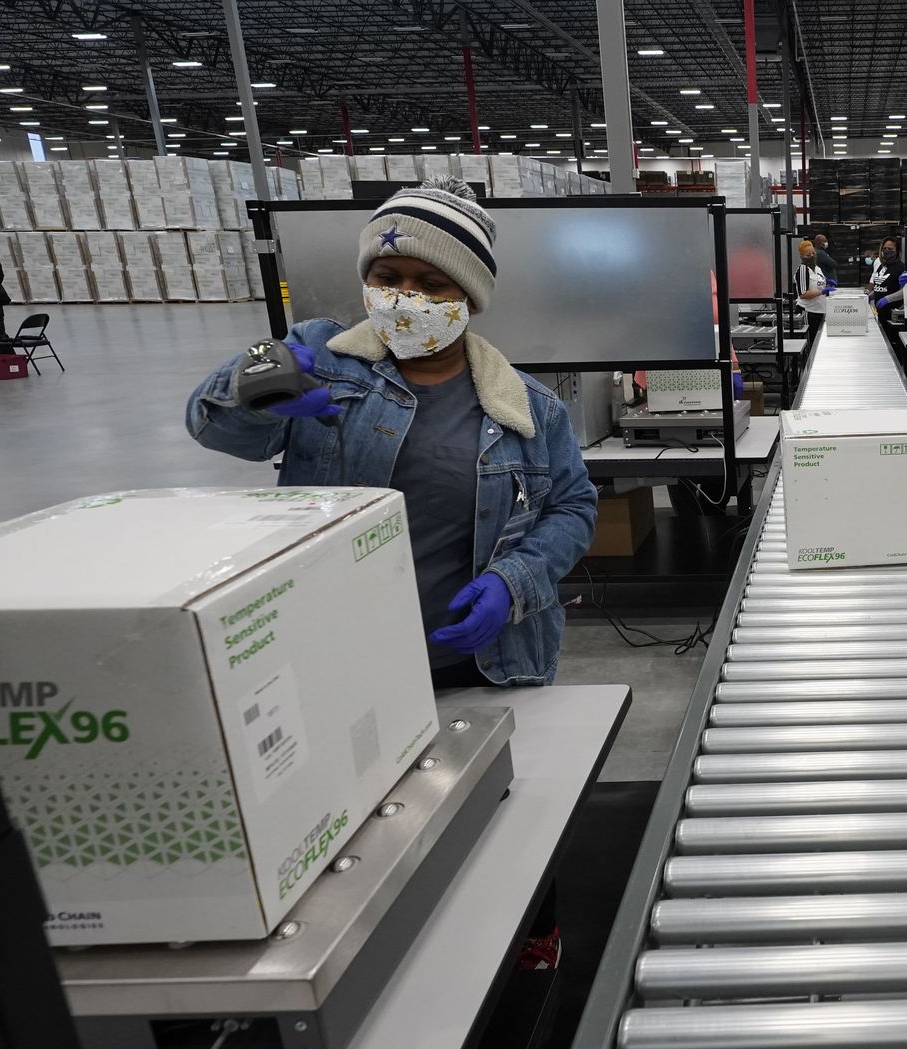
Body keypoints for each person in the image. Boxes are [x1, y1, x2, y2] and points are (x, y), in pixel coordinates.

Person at [186, 178, 598, 689]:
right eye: (387, 276)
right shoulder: (318, 357)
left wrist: (514, 582)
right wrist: (254, 389)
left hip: (477, 662)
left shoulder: (528, 407)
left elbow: (573, 507)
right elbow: (212, 428)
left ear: (468, 298)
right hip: (332, 653)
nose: (404, 297)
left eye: (431, 285)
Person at [794, 239, 832, 377]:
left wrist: (828, 285)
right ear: (802, 256)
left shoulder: (818, 269)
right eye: (807, 254)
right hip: (808, 313)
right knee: (809, 346)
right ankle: (807, 374)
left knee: (818, 344)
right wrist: (822, 292)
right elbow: (803, 294)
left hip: (820, 312)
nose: (811, 256)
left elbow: (821, 284)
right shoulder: (802, 270)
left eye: (812, 253)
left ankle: (817, 371)